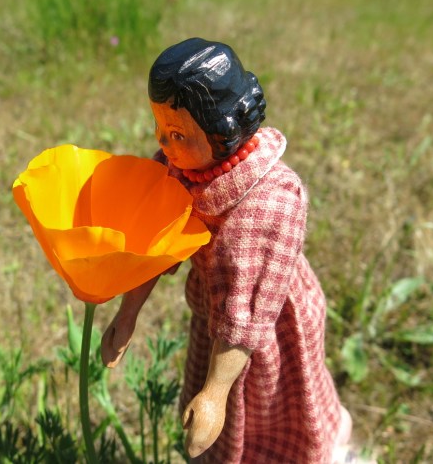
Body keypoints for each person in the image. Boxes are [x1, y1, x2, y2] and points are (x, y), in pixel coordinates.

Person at [102, 38, 361, 463]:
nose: (163, 143)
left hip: (271, 329)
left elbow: (247, 317)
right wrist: (128, 314)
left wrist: (215, 393)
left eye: (177, 133)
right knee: (221, 421)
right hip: (214, 318)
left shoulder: (271, 202)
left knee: (274, 412)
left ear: (223, 128)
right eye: (160, 128)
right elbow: (158, 244)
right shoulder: (180, 169)